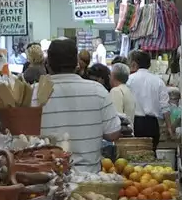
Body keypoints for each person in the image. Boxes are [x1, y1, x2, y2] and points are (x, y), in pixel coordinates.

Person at [40, 38, 122, 172]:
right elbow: (112, 134)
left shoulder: (32, 93)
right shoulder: (98, 91)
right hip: (88, 179)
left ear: (47, 64)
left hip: (46, 179)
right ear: (77, 64)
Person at [127, 51, 171, 150]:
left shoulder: (129, 80)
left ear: (134, 63)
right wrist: (169, 126)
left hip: (135, 123)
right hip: (152, 124)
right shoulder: (158, 81)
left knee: (135, 155)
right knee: (151, 154)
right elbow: (165, 106)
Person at [108, 63, 137, 127]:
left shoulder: (116, 91)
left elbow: (117, 117)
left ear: (113, 76)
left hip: (121, 134)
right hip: (129, 131)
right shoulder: (128, 90)